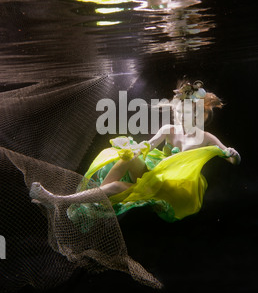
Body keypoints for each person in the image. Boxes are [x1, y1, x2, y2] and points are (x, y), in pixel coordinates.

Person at [30, 79, 240, 223]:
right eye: (177, 113)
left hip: (172, 191)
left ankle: (69, 201)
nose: (178, 117)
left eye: (183, 113)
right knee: (125, 161)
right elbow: (149, 145)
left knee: (117, 186)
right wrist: (136, 149)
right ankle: (75, 201)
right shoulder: (169, 130)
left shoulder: (206, 138)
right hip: (154, 177)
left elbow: (232, 160)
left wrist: (232, 154)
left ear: (196, 115)